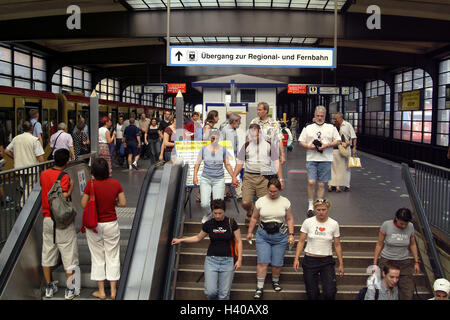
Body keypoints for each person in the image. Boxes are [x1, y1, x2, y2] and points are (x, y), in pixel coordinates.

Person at [171, 199, 242, 300]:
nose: (217, 216)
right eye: (215, 213)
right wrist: (181, 240)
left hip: (228, 261)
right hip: (211, 261)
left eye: (220, 213)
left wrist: (239, 260)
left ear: (224, 211)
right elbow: (198, 238)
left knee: (224, 295)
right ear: (212, 212)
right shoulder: (208, 224)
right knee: (210, 292)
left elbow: (239, 241)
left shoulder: (231, 223)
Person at [81, 157, 126, 300]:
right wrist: (114, 204)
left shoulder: (91, 184)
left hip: (94, 225)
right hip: (111, 224)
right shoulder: (115, 183)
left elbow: (83, 204)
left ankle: (101, 292)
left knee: (97, 257)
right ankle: (113, 291)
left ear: (93, 171)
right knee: (112, 256)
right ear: (107, 170)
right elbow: (123, 203)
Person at [246, 178, 294, 299]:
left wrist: (291, 234)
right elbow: (254, 218)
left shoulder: (285, 202)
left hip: (280, 235)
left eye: (275, 191)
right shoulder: (261, 201)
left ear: (279, 190)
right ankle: (259, 287)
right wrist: (249, 232)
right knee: (263, 261)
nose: (272, 194)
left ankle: (275, 281)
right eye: (270, 191)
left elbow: (289, 219)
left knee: (277, 263)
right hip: (263, 235)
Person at [39, 149, 78, 299]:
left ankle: (49, 287)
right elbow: (63, 196)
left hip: (47, 218)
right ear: (67, 162)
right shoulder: (65, 177)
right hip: (62, 221)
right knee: (69, 254)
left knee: (47, 252)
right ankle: (70, 289)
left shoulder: (44, 174)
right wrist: (72, 187)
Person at [231, 124, 283, 227]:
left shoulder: (269, 145)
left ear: (260, 133)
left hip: (264, 177)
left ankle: (256, 219)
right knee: (245, 202)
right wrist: (234, 176)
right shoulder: (246, 145)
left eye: (256, 135)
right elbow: (240, 163)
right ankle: (249, 212)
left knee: (262, 203)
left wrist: (281, 179)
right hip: (249, 176)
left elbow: (277, 163)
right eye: (252, 136)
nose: (254, 138)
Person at [293, 198, 344, 300]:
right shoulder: (308, 222)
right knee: (312, 294)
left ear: (328, 209)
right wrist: (296, 258)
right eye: (319, 209)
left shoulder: (334, 224)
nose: (321, 212)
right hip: (310, 260)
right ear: (315, 209)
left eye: (323, 209)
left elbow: (337, 245)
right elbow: (301, 241)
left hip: (327, 260)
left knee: (330, 292)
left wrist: (341, 263)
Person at [299, 106, 341, 217]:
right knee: (311, 182)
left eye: (321, 116)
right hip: (311, 158)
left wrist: (327, 145)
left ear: (325, 116)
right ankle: (310, 205)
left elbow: (337, 140)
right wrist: (309, 146)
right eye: (317, 115)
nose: (319, 118)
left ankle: (319, 205)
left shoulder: (331, 127)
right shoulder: (308, 127)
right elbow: (301, 141)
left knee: (322, 184)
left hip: (326, 159)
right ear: (314, 115)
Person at [372, 208, 420, 300]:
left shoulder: (410, 226)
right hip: (387, 260)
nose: (404, 226)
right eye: (401, 223)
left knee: (407, 291)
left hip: (404, 261)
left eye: (406, 224)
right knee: (385, 290)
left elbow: (412, 244)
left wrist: (416, 261)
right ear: (396, 219)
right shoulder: (386, 225)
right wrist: (375, 264)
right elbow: (379, 244)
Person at [193, 129, 234, 223]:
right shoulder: (203, 149)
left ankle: (216, 219)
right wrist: (195, 176)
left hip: (219, 179)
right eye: (212, 138)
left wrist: (233, 176)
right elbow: (197, 163)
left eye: (216, 138)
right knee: (204, 203)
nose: (214, 139)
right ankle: (208, 214)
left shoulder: (223, 149)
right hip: (206, 178)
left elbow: (227, 164)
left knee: (218, 203)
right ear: (210, 138)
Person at [328, 112, 357, 192]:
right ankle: (334, 184)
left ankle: (346, 185)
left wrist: (354, 147)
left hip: (345, 149)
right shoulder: (333, 126)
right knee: (334, 168)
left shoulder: (347, 125)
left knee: (346, 168)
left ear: (341, 118)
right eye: (334, 119)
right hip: (335, 149)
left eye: (336, 118)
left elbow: (353, 137)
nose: (334, 120)